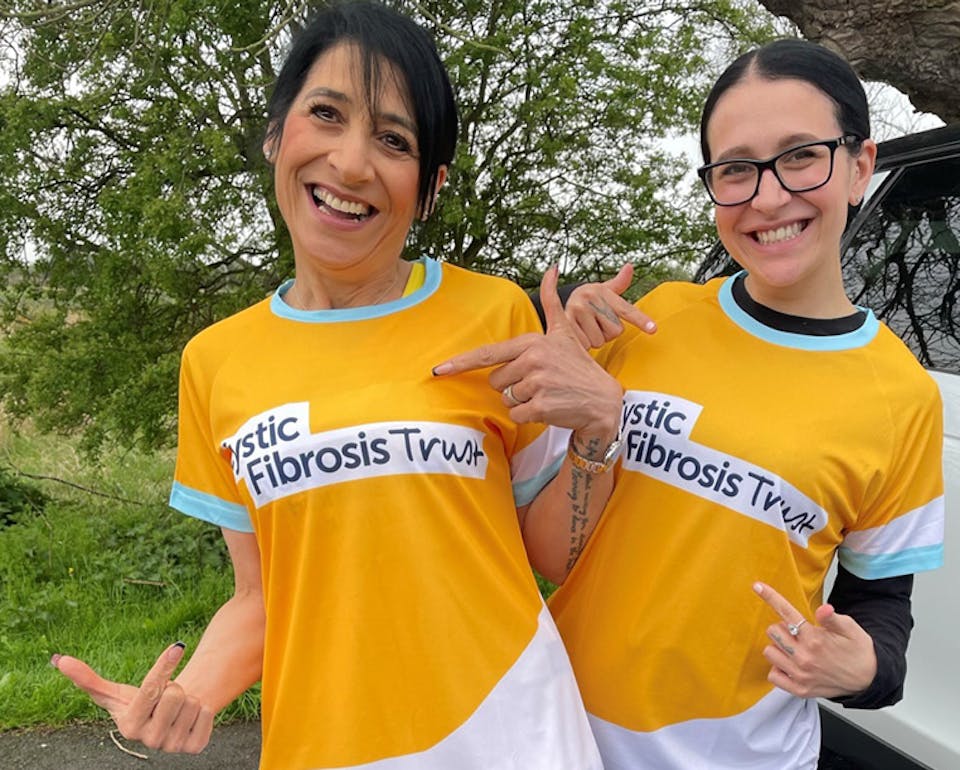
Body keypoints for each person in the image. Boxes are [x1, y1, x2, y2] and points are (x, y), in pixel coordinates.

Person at [49, 3, 620, 768]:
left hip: (510, 733)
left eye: (393, 139)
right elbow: (262, 595)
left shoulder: (492, 313)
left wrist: (595, 428)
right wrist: (192, 693)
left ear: (430, 185)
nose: (352, 165)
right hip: (325, 747)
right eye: (327, 114)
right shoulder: (216, 360)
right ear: (276, 135)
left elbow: (552, 552)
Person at [437, 38, 945, 769]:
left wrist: (862, 672)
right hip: (559, 737)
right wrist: (591, 415)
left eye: (801, 156)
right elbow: (557, 556)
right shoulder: (656, 317)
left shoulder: (904, 399)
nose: (768, 197)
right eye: (736, 169)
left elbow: (882, 616)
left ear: (861, 166)